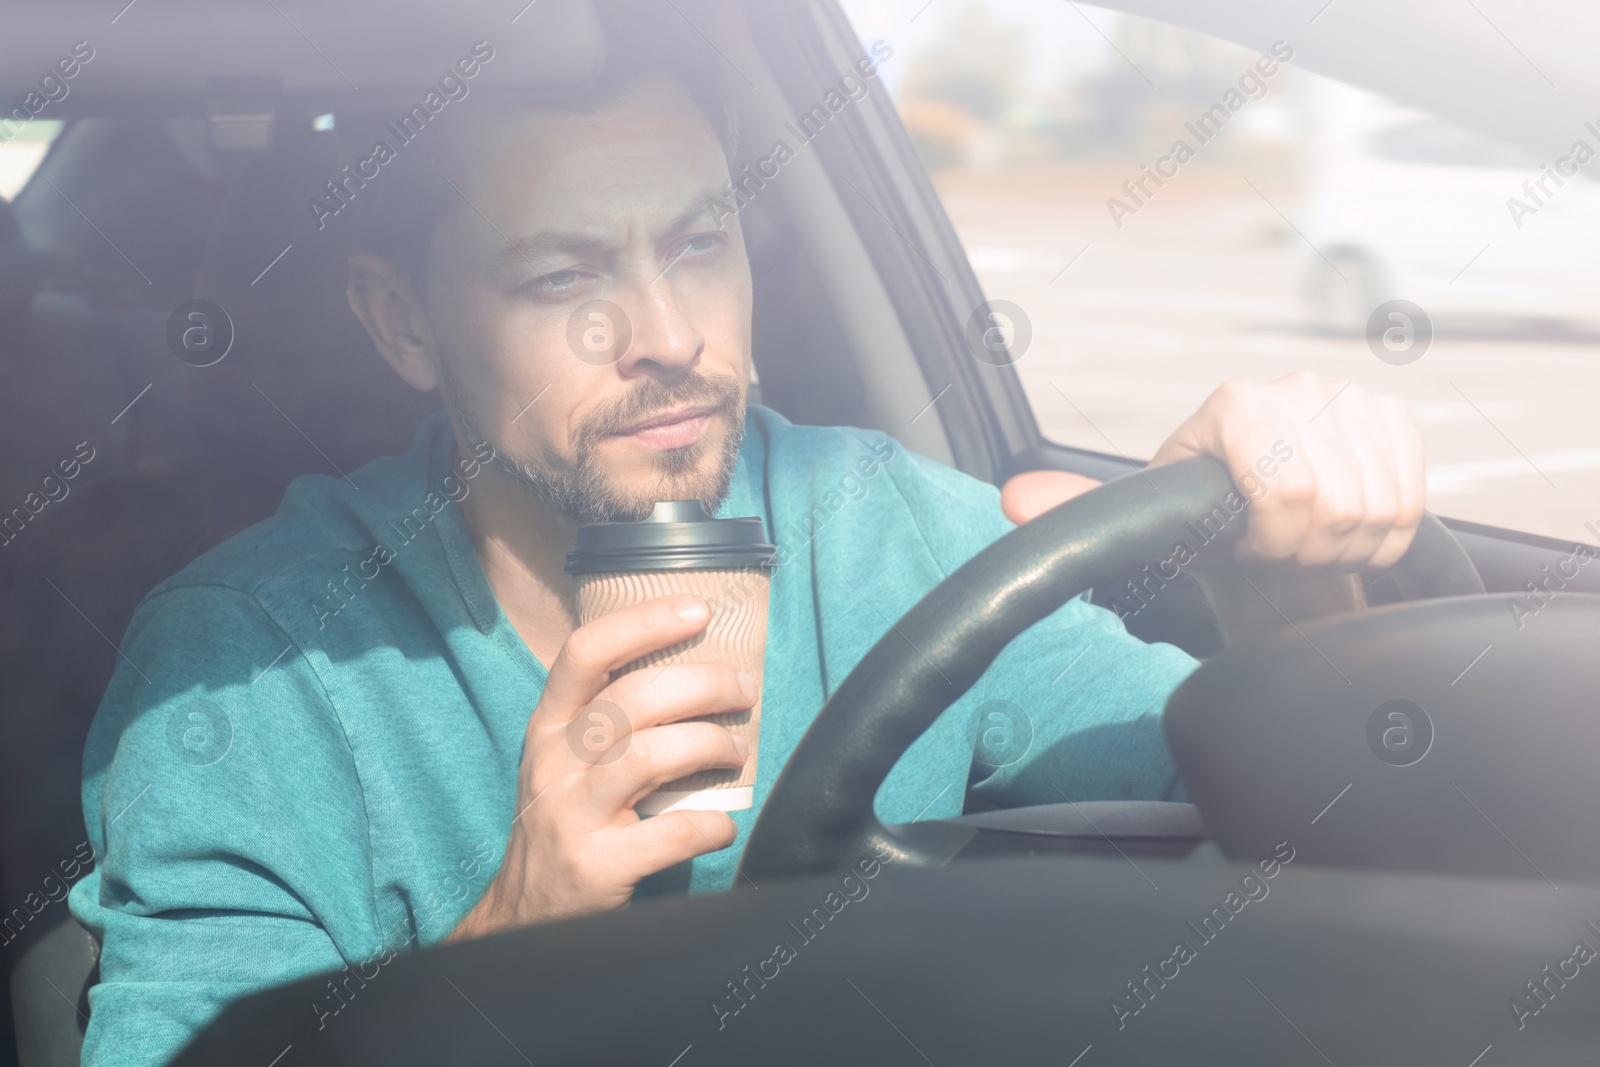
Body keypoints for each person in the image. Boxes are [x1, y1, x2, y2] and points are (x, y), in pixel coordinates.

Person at [66, 25, 1424, 1067]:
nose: (669, 332)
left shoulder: (877, 518)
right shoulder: (248, 668)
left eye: (700, 242)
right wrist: (505, 946)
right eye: (564, 274)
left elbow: (1293, 836)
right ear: (404, 324)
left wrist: (1294, 610)